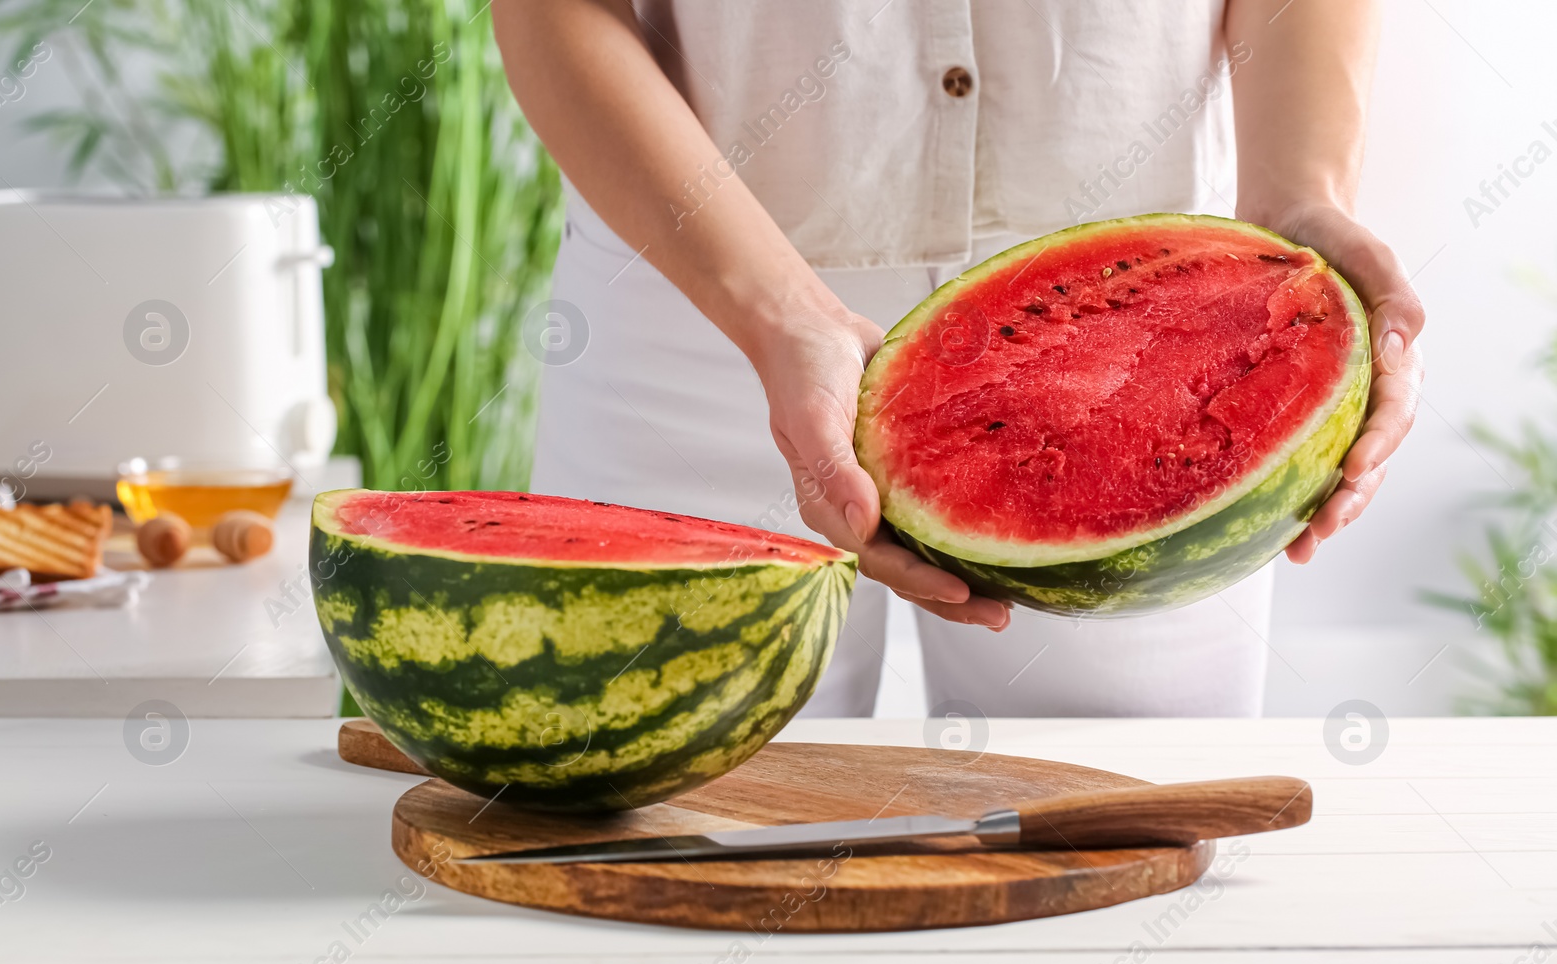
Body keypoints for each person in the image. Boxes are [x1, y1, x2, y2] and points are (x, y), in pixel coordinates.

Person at [494, 0, 1424, 719]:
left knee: (1128, 846)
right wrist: (777, 314)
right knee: (656, 853)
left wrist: (1301, 196)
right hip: (695, 288)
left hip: (1153, 335)